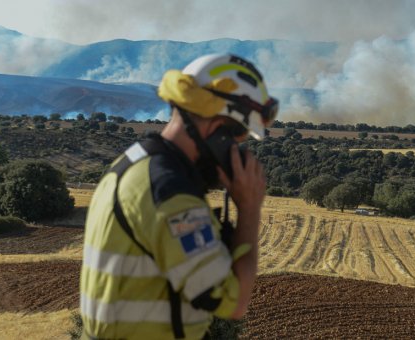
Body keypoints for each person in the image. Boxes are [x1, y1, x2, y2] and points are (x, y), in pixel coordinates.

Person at [80, 54, 278, 339]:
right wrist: (249, 208)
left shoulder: (132, 163)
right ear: (219, 128)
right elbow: (233, 302)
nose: (236, 151)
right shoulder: (171, 193)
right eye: (237, 140)